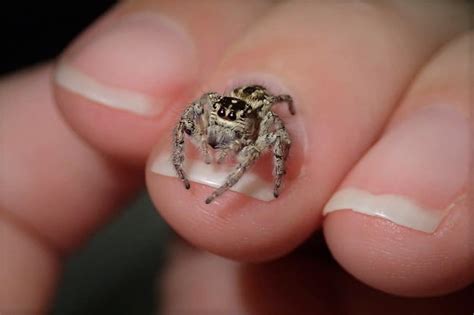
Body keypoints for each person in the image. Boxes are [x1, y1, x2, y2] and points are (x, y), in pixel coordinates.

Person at [1, 1, 472, 313]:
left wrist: (262, 176)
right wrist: (186, 158)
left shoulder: (266, 116)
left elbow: (280, 122)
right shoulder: (208, 108)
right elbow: (197, 109)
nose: (223, 135)